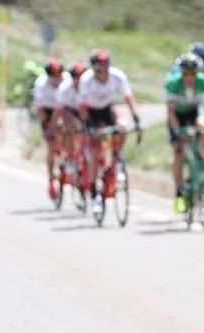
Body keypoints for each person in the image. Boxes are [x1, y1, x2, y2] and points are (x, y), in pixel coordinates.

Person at [78, 49, 141, 215]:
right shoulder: (86, 79)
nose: (102, 73)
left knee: (123, 128)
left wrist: (136, 117)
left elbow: (129, 98)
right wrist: (88, 126)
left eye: (106, 69)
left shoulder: (117, 76)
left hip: (107, 109)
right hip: (91, 112)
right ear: (93, 69)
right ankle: (93, 194)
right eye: (99, 70)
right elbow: (82, 106)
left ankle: (116, 158)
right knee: (94, 150)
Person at [165, 52, 204, 213]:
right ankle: (179, 193)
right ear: (181, 73)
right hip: (177, 116)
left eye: (193, 73)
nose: (189, 77)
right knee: (179, 153)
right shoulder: (173, 84)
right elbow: (170, 112)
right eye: (186, 74)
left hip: (194, 112)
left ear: (198, 73)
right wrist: (177, 132)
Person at [33, 58, 70, 201]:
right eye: (53, 77)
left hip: (64, 109)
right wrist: (47, 127)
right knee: (51, 145)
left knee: (71, 132)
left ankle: (70, 158)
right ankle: (51, 181)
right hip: (47, 111)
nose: (57, 80)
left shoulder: (67, 79)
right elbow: (40, 110)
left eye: (59, 76)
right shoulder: (41, 84)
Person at [56, 61, 87, 162]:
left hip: (83, 109)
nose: (79, 81)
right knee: (70, 128)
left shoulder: (89, 85)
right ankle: (70, 158)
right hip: (68, 109)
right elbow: (59, 109)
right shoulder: (64, 88)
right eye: (76, 78)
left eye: (81, 78)